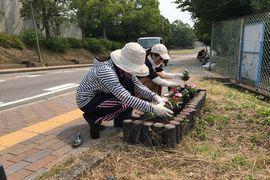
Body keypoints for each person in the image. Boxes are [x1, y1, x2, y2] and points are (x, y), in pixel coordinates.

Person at [76, 42, 173, 139]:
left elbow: (139, 86)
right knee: (125, 100)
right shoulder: (106, 71)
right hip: (87, 101)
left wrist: (155, 97)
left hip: (101, 95)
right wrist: (153, 108)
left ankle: (121, 120)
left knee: (129, 86)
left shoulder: (123, 69)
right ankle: (93, 117)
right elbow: (125, 97)